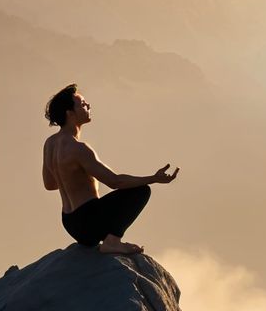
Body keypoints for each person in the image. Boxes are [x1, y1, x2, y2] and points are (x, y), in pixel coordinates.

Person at [42, 83, 179, 254]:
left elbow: (50, 184)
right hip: (89, 221)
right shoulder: (78, 148)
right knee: (141, 191)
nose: (88, 106)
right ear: (70, 113)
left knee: (111, 200)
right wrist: (154, 178)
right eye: (83, 104)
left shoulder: (50, 144)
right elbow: (115, 181)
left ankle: (108, 239)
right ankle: (112, 242)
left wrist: (69, 177)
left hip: (69, 222)